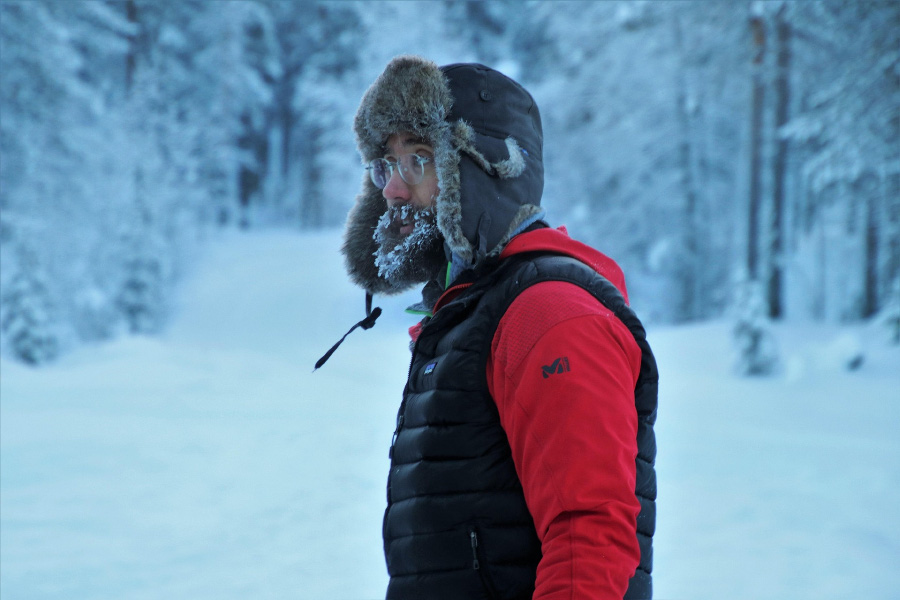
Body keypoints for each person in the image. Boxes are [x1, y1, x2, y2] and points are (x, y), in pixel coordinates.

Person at [338, 55, 658, 600]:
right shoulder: (470, 313)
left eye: (417, 159)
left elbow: (592, 540)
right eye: (385, 165)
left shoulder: (550, 314)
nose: (392, 189)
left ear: (485, 169)